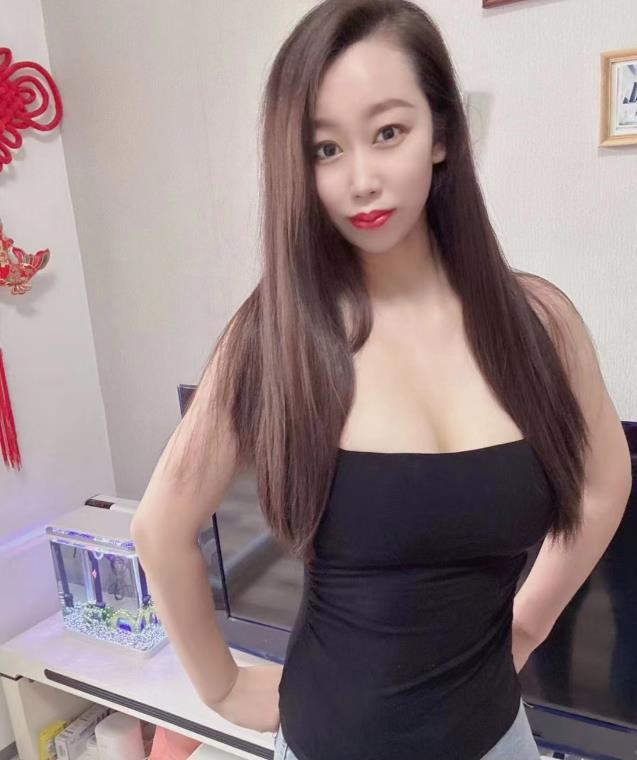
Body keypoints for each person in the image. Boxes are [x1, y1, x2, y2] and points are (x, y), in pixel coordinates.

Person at [130, 1, 632, 759]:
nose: (361, 179)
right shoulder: (275, 338)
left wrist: (529, 623)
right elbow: (159, 528)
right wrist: (222, 687)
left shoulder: (540, 323)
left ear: (441, 134)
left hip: (498, 738)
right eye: (326, 149)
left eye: (388, 133)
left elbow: (603, 483)